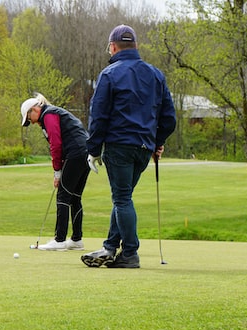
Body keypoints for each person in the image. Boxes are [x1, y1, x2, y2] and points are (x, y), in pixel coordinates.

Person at [81, 24, 177, 268]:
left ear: (113, 47)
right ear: (136, 46)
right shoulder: (156, 74)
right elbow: (169, 119)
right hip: (144, 148)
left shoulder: (109, 73)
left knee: (122, 198)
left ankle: (130, 253)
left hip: (119, 145)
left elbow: (99, 115)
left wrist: (93, 149)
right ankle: (111, 246)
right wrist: (158, 143)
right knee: (123, 198)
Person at [21, 93, 91, 251]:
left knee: (63, 196)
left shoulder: (49, 115)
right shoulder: (52, 113)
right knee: (74, 197)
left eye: (29, 118)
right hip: (85, 153)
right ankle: (76, 240)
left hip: (76, 154)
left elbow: (56, 144)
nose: (31, 122)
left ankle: (59, 240)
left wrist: (57, 172)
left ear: (34, 110)